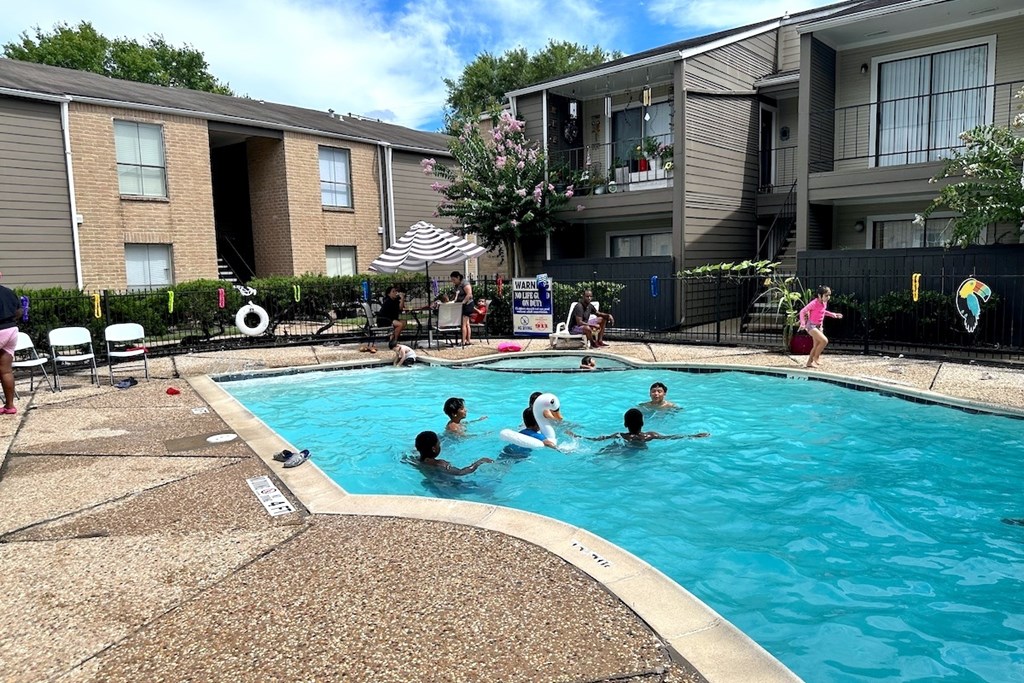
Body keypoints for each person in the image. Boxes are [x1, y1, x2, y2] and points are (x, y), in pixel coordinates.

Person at [580, 408, 710, 446]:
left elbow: (597, 439)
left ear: (625, 424)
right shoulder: (650, 435)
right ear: (643, 423)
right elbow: (671, 437)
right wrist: (693, 436)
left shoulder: (621, 435)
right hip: (642, 454)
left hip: (625, 450)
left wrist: (577, 436)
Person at [799, 285, 843, 369]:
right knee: (824, 341)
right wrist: (803, 323)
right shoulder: (814, 303)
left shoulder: (824, 303)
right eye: (826, 295)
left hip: (819, 327)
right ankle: (816, 357)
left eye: (829, 295)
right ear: (819, 295)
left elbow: (822, 311)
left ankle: (809, 363)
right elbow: (802, 311)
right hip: (811, 326)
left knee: (816, 345)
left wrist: (832, 314)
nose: (828, 297)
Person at [414, 430, 492, 475]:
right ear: (434, 448)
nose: (440, 446)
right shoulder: (441, 464)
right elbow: (460, 472)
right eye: (439, 444)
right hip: (450, 485)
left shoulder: (415, 460)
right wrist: (478, 463)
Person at [0, 284, 22, 415]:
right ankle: (9, 406)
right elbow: (19, 312)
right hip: (11, 330)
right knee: (6, 371)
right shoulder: (9, 292)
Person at [450, 271, 474, 346]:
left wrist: (463, 303)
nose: (453, 282)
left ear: (458, 277)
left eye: (454, 280)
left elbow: (469, 294)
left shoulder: (464, 283)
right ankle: (468, 341)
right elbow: (455, 295)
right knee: (467, 324)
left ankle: (463, 341)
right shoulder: (457, 285)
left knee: (464, 324)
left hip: (467, 305)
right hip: (463, 305)